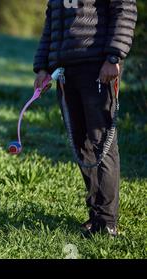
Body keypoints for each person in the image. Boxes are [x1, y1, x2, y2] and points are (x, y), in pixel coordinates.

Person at [33, 0, 137, 237]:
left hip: (97, 67)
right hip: (65, 72)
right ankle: (95, 215)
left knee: (102, 145)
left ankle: (107, 222)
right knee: (82, 146)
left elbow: (125, 9)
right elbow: (52, 22)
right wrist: (43, 68)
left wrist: (114, 58)